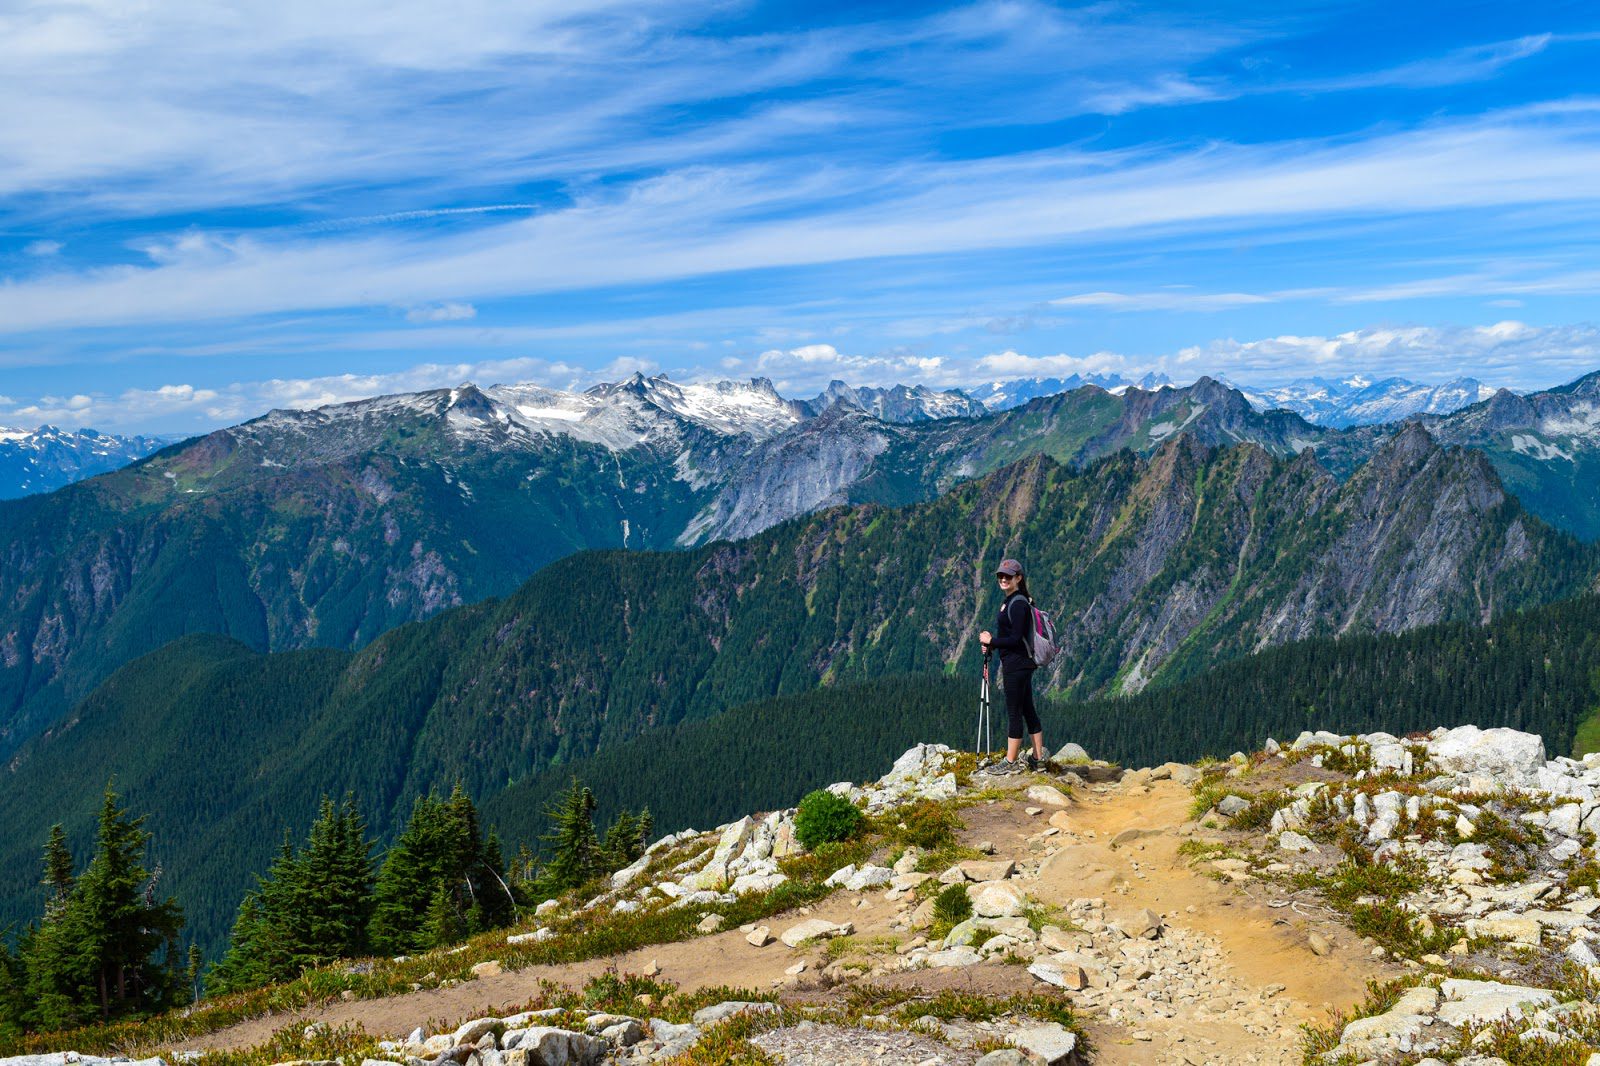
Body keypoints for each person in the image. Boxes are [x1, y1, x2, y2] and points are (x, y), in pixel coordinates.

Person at [978, 558, 1048, 775]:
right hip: (1023, 663)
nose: (1003, 579)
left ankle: (1010, 763)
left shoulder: (1017, 603)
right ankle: (1038, 759)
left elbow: (1016, 638)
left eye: (1008, 576)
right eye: (1001, 575)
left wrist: (992, 642)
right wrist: (994, 644)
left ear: (1019, 578)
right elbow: (1012, 635)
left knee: (1014, 712)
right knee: (1027, 709)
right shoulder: (1017, 600)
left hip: (1016, 665)